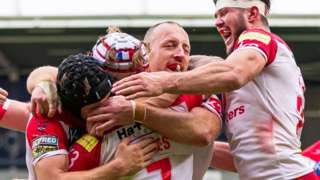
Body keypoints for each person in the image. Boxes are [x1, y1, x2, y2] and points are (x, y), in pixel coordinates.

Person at [111, 0, 318, 179]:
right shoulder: (255, 77)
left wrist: (162, 82)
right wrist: (163, 139)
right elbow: (248, 158)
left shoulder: (258, 38)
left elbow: (233, 73)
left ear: (252, 13)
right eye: (216, 15)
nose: (217, 22)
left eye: (224, 13)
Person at [27, 25, 222, 180]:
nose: (124, 87)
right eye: (115, 79)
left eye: (135, 75)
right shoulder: (50, 112)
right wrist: (118, 168)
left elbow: (204, 131)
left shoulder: (186, 90)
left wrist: (138, 110)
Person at [26, 54, 158, 180]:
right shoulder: (45, 120)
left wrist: (42, 81)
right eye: (95, 108)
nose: (110, 109)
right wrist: (119, 167)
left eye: (109, 99)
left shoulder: (90, 73)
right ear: (75, 110)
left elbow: (47, 72)